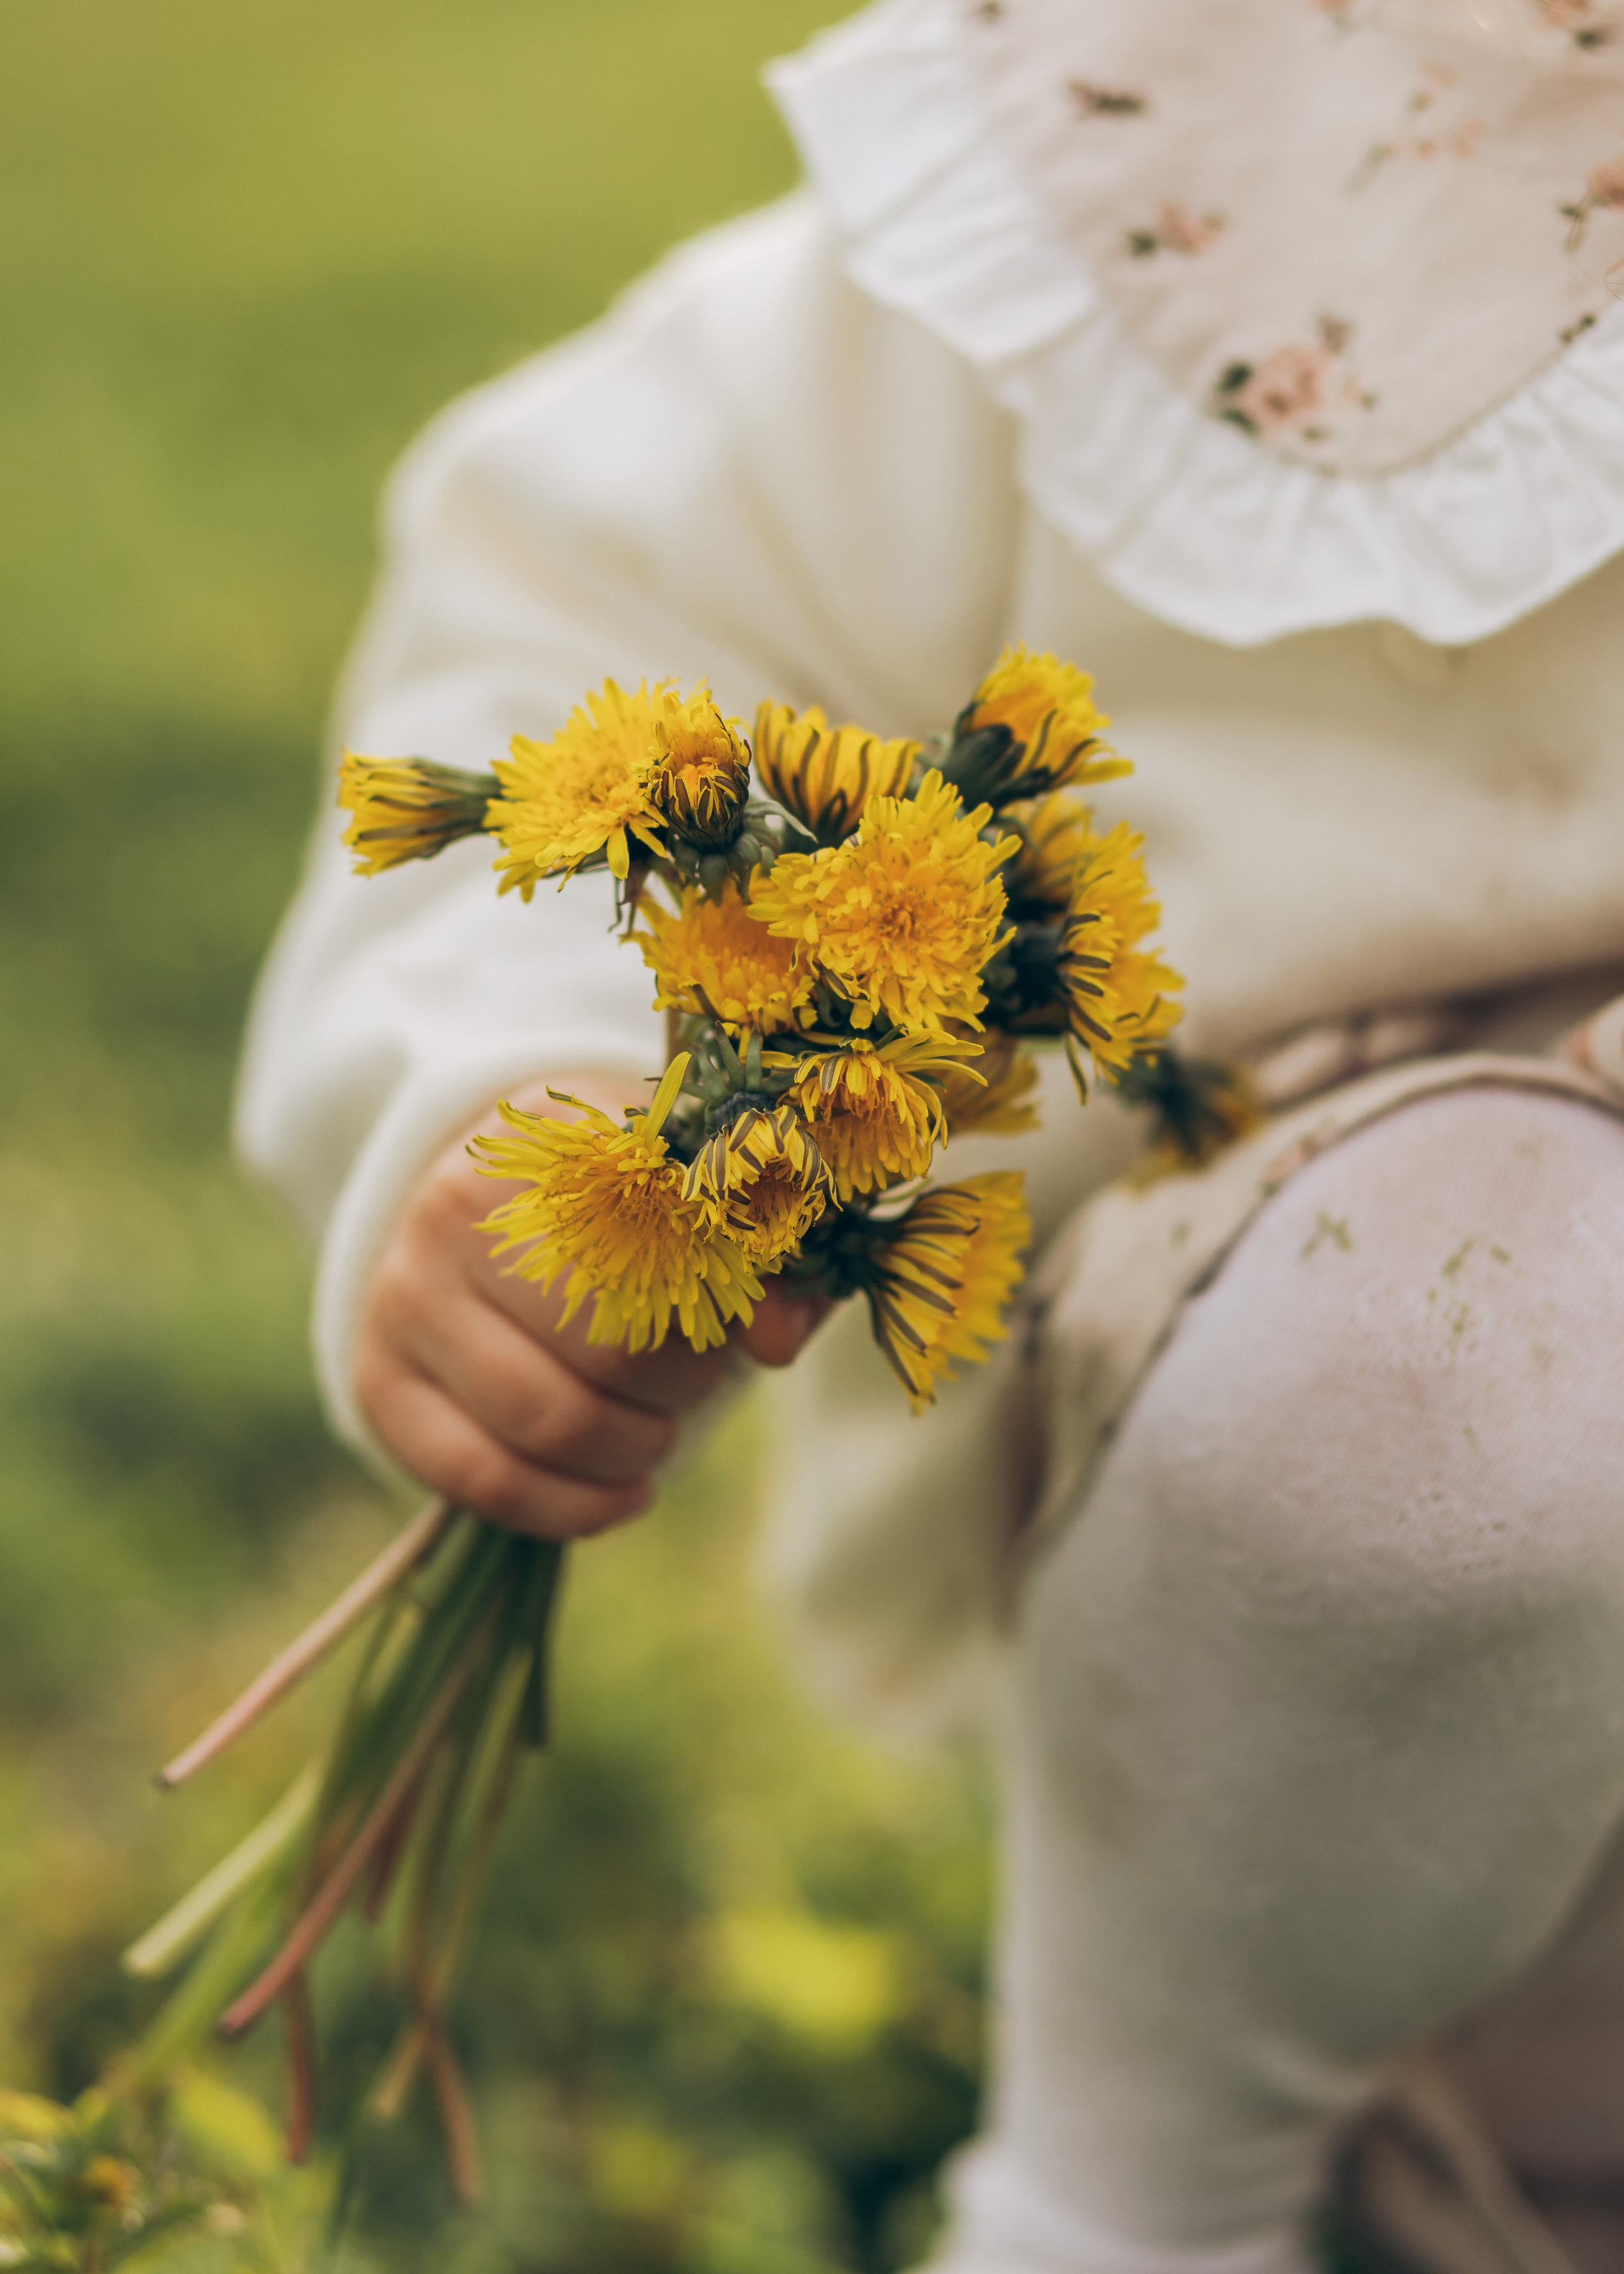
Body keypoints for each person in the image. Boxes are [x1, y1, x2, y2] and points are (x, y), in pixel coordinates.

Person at [237, 0, 1624, 2266]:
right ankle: (1132, 2209)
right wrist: (530, 1086)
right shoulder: (1195, 159)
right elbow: (596, 635)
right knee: (1465, 1323)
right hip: (1319, 1508)